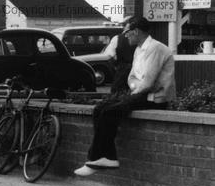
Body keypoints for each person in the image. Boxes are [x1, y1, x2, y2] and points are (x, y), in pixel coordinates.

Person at [74, 17, 176, 176]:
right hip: (141, 94)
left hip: (154, 99)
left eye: (127, 32)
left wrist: (135, 89)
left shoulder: (156, 49)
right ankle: (105, 157)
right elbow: (131, 79)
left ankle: (102, 157)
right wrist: (136, 87)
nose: (125, 35)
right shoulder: (138, 50)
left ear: (136, 31)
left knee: (109, 111)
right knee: (99, 109)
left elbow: (148, 83)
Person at [105, 18, 138, 94]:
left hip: (121, 72)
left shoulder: (116, 38)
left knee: (118, 94)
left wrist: (116, 67)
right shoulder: (139, 40)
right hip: (137, 72)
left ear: (125, 27)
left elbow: (109, 56)